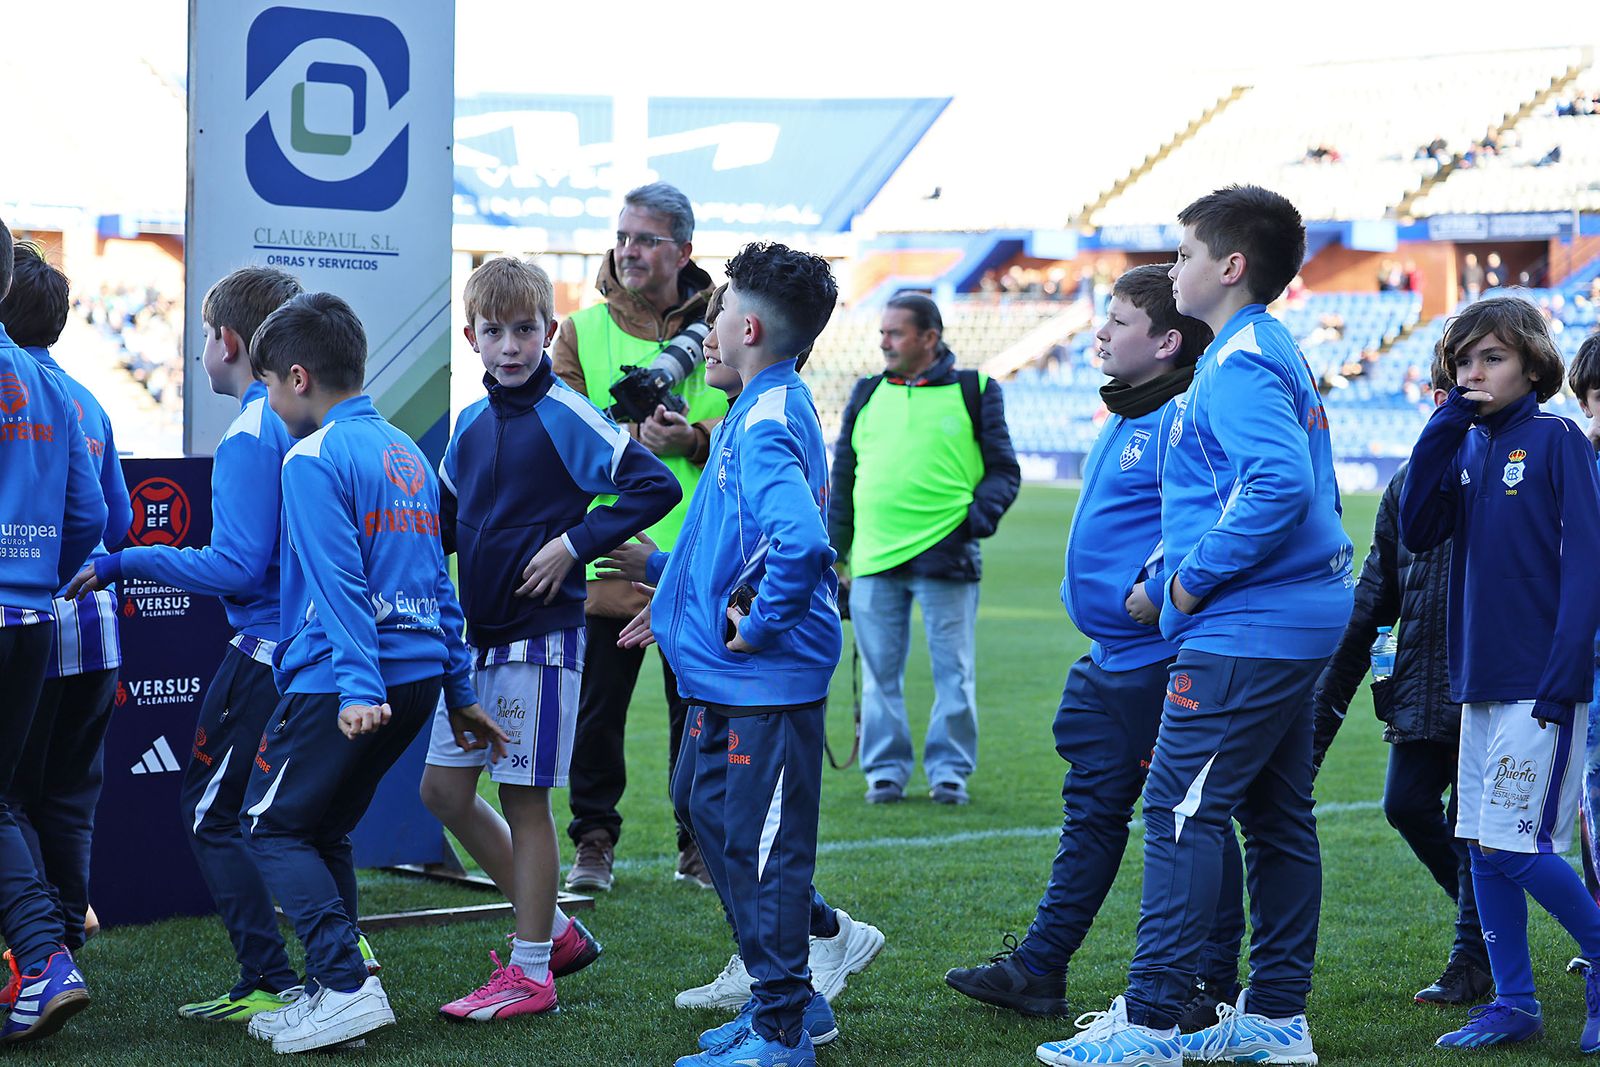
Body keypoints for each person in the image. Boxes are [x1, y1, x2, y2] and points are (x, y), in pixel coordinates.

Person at [1040, 185, 1354, 1067]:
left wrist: (1179, 587)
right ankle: (1276, 1016)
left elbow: (1279, 489)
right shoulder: (1263, 348)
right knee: (1278, 814)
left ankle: (1152, 1022)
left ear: (1230, 266)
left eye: (1181, 253)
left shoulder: (1245, 359)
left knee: (1180, 809)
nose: (1171, 267)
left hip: (1250, 625)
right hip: (1288, 618)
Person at [943, 265, 1233, 1022]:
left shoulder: (1178, 416)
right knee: (1115, 812)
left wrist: (1160, 585)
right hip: (1112, 658)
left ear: (1168, 342)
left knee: (1185, 816)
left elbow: (1207, 518)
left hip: (1153, 658)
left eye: (1118, 322)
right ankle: (1042, 967)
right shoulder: (1130, 412)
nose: (1099, 332)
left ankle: (1210, 977)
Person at [603, 285, 885, 1026]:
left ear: (748, 328)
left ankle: (789, 1014)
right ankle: (814, 942)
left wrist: (759, 629)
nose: (705, 335)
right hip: (727, 673)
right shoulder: (748, 409)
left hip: (765, 672)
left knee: (762, 840)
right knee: (700, 803)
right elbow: (729, 541)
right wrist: (668, 587)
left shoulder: (762, 419)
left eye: (717, 319)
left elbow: (800, 544)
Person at [232, 292, 499, 1054]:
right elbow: (436, 581)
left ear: (296, 376)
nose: (268, 400)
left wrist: (356, 686)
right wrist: (458, 690)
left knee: (271, 825)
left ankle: (346, 983)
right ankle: (331, 986)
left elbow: (339, 583)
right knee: (324, 829)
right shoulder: (408, 452)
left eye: (268, 385)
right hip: (413, 680)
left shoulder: (311, 457)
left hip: (347, 682)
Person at [418, 256, 679, 1020]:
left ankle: (532, 971)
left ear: (549, 329)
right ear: (471, 336)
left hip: (543, 639)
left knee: (524, 801)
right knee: (441, 790)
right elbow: (439, 521)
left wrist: (572, 541)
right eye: (494, 331)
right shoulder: (468, 422)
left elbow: (653, 485)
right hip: (475, 641)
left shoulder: (566, 412)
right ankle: (557, 931)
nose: (510, 345)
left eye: (525, 329)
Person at [68, 265, 311, 1022]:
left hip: (266, 651)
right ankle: (342, 959)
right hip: (308, 648)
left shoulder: (252, 429)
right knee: (295, 816)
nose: (200, 350)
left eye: (204, 336)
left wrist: (121, 560)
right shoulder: (309, 419)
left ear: (228, 341)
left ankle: (274, 974)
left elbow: (236, 564)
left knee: (213, 811)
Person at [1400, 297, 1600, 1053]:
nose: (1472, 373)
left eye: (1491, 358)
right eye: (1462, 360)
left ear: (1531, 365)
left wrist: (1563, 670)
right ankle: (1515, 1002)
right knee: (1483, 846)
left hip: (1541, 681)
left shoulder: (1556, 441)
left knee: (1518, 846)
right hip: (1478, 679)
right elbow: (1418, 524)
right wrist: (1443, 423)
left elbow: (1588, 562)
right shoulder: (1467, 445)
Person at [552, 181, 725, 891]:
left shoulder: (726, 324)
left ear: (683, 250)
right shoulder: (581, 329)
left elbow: (754, 426)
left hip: (701, 557)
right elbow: (555, 431)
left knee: (702, 712)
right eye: (622, 236)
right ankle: (593, 842)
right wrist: (629, 436)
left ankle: (700, 844)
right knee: (597, 716)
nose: (628, 250)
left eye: (645, 238)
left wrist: (694, 437)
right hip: (607, 554)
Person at [1308, 354, 1492, 1007]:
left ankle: (1475, 956)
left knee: (1473, 823)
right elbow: (1371, 601)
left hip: (1487, 683)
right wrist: (1323, 709)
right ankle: (1491, 930)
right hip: (1419, 685)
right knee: (1406, 804)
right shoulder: (1407, 481)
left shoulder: (1506, 472)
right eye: (1446, 390)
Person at [830, 293, 1020, 806]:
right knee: (878, 675)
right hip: (872, 560)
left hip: (947, 558)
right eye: (883, 332)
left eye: (896, 333)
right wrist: (837, 555)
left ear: (929, 338)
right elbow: (843, 477)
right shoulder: (866, 391)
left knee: (954, 673)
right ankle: (885, 773)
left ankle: (949, 772)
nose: (884, 342)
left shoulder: (975, 389)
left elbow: (1004, 470)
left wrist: (973, 522)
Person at [1, 242, 131, 967]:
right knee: (71, 800)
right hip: (93, 631)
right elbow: (113, 524)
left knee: (13, 796)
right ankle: (59, 944)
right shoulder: (87, 399)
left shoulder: (21, 384)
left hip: (31, 620)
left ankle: (38, 955)